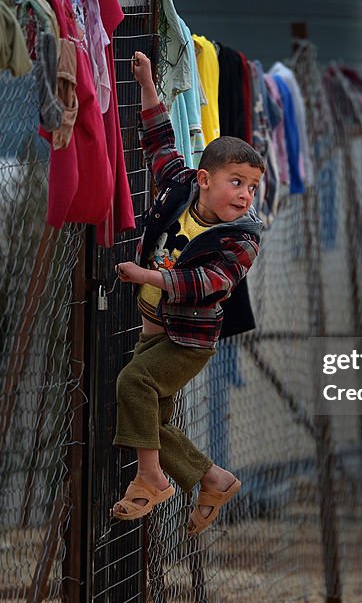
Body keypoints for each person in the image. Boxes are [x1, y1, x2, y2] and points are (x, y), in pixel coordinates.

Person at [110, 51, 264, 536]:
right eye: (235, 182)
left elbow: (207, 284)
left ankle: (151, 477)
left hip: (187, 340)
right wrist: (149, 89)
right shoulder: (179, 188)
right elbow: (161, 144)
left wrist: (146, 276)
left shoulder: (242, 238)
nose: (245, 196)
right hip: (153, 328)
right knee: (150, 420)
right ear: (204, 180)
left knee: (134, 386)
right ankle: (213, 479)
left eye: (253, 188)